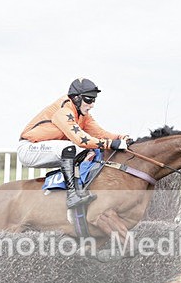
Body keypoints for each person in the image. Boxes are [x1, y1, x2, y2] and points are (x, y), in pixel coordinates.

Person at [18, 78, 130, 209]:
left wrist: (120, 137)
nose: (92, 104)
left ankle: (79, 190)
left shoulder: (82, 114)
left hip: (46, 148)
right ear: (76, 98)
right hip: (29, 148)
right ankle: (72, 196)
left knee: (89, 151)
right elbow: (80, 140)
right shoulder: (64, 110)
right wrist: (110, 144)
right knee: (71, 147)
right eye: (88, 99)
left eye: (94, 100)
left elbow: (100, 133)